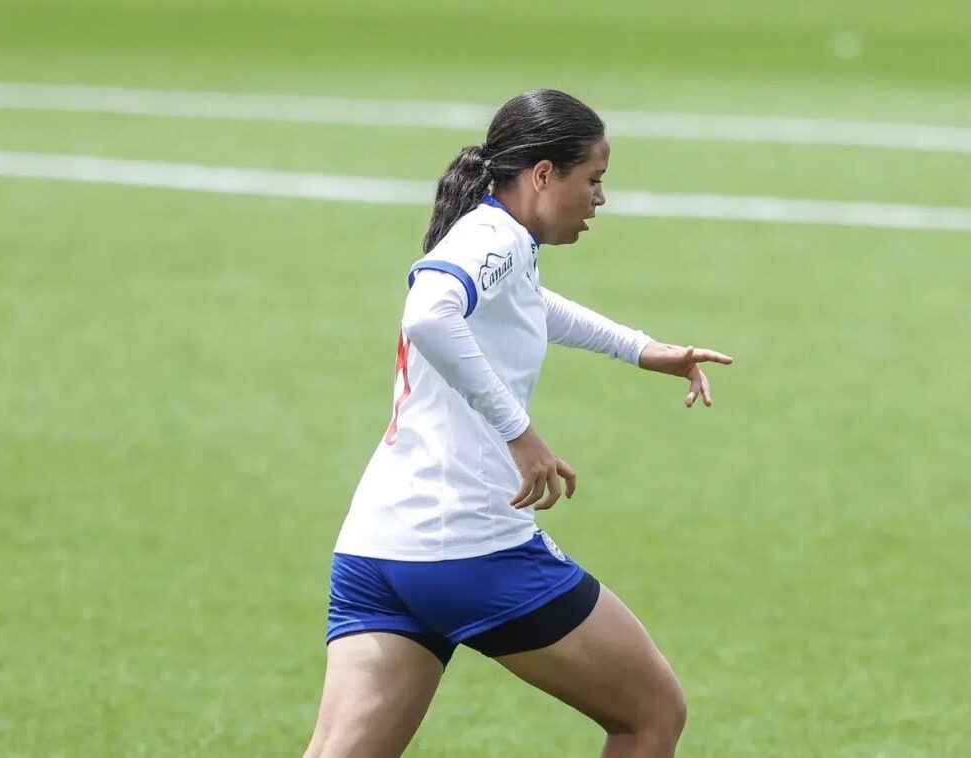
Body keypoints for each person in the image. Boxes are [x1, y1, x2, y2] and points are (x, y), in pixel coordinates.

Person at [303, 89, 733, 758]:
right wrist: (519, 433)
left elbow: (529, 305)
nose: (600, 198)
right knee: (651, 714)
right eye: (593, 179)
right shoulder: (492, 236)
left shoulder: (498, 241)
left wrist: (643, 349)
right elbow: (428, 314)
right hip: (470, 549)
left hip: (380, 547)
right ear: (543, 174)